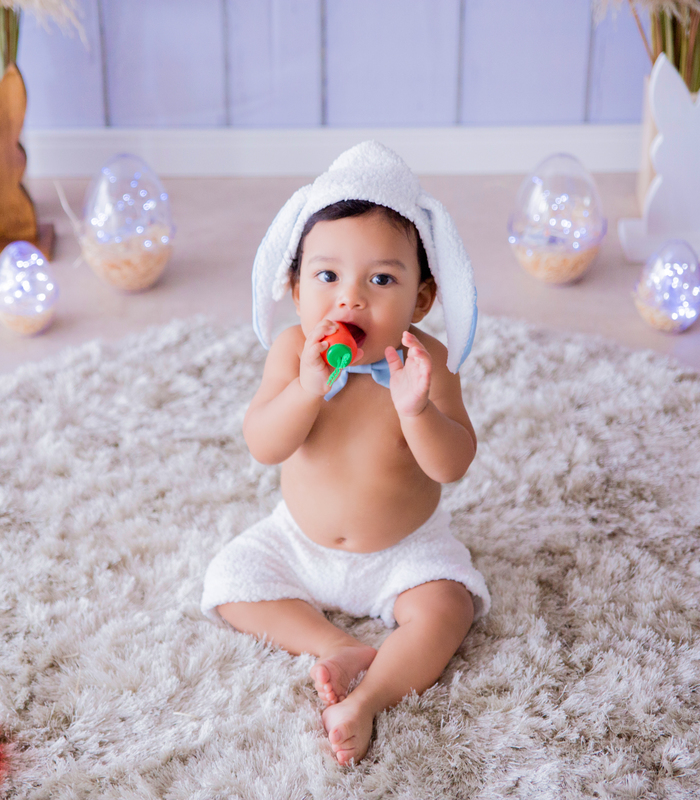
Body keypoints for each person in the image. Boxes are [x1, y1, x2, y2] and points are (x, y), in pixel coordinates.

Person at [201, 142, 489, 766]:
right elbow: (263, 443)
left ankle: (371, 696)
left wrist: (417, 411)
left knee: (449, 606)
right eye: (327, 276)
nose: (349, 299)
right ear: (295, 286)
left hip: (405, 550)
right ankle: (335, 645)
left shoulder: (425, 362)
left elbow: (453, 464)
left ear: (421, 300)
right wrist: (306, 391)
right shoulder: (291, 351)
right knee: (227, 583)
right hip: (298, 542)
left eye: (381, 279)